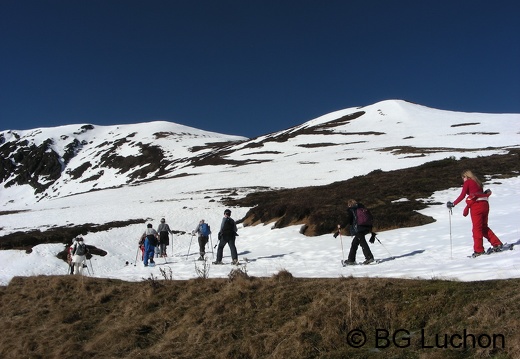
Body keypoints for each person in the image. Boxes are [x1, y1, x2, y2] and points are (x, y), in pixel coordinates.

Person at [447, 170, 503, 257]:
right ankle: (497, 243)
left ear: (466, 176)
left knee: (477, 229)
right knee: (484, 227)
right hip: (485, 205)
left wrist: (453, 204)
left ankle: (479, 250)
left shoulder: (468, 182)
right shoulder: (478, 182)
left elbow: (462, 195)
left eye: (463, 178)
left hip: (476, 207)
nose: (463, 180)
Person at [340, 199, 375, 265]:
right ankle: (351, 260)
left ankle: (369, 258)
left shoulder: (352, 210)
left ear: (350, 204)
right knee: (354, 243)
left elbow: (348, 220)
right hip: (366, 228)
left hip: (358, 229)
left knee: (362, 243)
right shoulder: (362, 208)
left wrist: (341, 226)